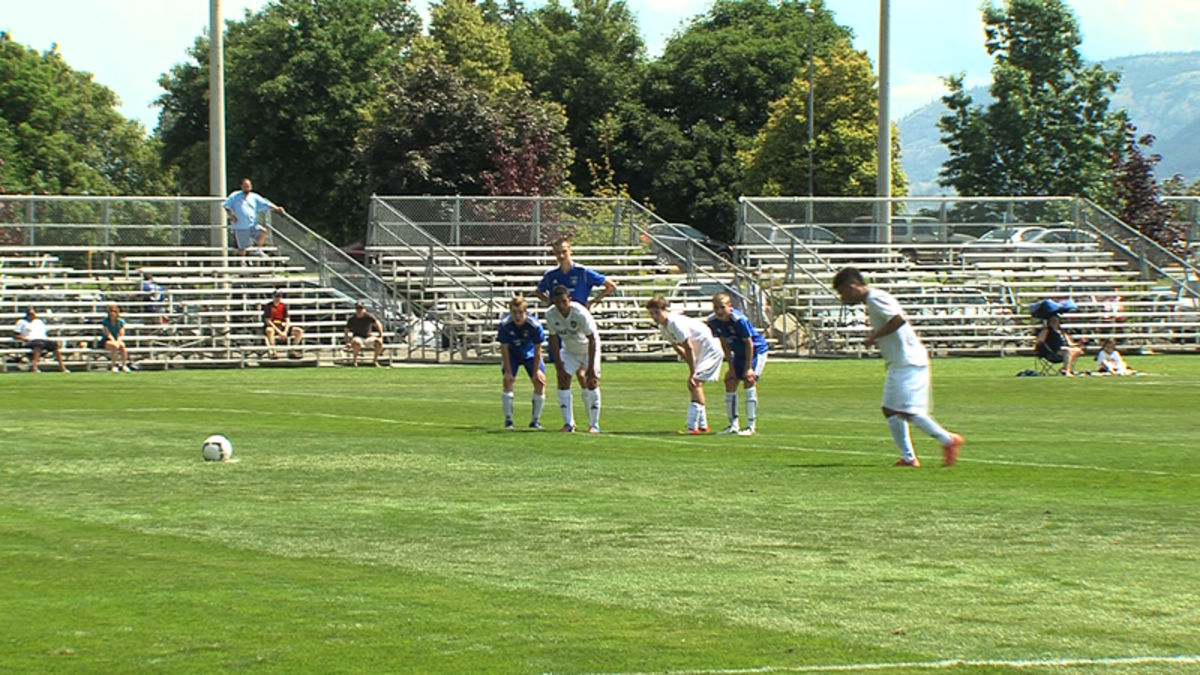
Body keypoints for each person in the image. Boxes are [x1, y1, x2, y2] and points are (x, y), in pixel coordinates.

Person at [832, 267, 963, 468]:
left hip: (908, 360)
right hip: (899, 361)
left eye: (843, 292)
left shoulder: (875, 298)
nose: (843, 298)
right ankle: (908, 458)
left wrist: (874, 337)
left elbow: (897, 320)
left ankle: (948, 440)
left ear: (853, 286)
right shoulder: (873, 299)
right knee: (890, 410)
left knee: (908, 410)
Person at [646, 296, 724, 434]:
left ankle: (693, 427)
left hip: (710, 349)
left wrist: (692, 372)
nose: (655, 316)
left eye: (657, 312)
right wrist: (691, 365)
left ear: (666, 310)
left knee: (695, 383)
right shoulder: (663, 327)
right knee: (695, 384)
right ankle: (702, 426)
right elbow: (678, 347)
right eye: (652, 313)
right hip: (701, 352)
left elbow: (688, 347)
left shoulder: (674, 322)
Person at [706, 291, 770, 436]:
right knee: (730, 381)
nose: (719, 311)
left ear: (730, 306)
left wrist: (748, 368)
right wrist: (730, 367)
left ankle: (750, 425)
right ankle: (733, 424)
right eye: (716, 308)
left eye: (722, 307)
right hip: (738, 353)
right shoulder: (713, 321)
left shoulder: (738, 320)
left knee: (749, 380)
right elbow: (724, 343)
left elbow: (749, 343)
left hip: (756, 351)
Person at [545, 285, 602, 434]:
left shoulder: (580, 313)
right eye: (557, 302)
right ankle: (568, 424)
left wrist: (590, 368)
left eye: (564, 302)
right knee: (563, 381)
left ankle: (593, 424)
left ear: (569, 300)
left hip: (588, 349)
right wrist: (559, 367)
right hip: (569, 350)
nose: (561, 306)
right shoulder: (550, 315)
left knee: (591, 381)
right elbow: (553, 339)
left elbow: (592, 339)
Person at [497, 294, 547, 430]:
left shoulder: (535, 326)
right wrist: (508, 371)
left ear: (526, 312)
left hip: (530, 354)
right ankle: (508, 420)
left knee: (540, 381)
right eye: (514, 312)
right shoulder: (505, 325)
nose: (517, 316)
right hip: (512, 354)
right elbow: (504, 348)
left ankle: (535, 420)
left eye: (520, 312)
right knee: (508, 381)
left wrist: (537, 370)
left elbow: (538, 348)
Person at [535, 236, 617, 309]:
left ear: (570, 251)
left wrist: (592, 302)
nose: (561, 256)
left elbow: (611, 286)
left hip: (579, 317)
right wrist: (550, 303)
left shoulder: (583, 272)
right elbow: (538, 291)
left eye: (564, 252)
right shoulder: (550, 275)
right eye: (558, 252)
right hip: (559, 318)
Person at [223, 177, 285, 257]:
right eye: (245, 186)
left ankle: (259, 250)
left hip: (253, 225)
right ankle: (243, 263)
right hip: (240, 226)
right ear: (241, 186)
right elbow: (226, 206)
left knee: (263, 231)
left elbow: (265, 204)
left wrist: (276, 208)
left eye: (248, 186)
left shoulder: (254, 197)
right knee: (242, 248)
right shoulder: (235, 196)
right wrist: (231, 216)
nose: (247, 188)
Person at [14, 308, 67, 372]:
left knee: (54, 344)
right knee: (38, 345)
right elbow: (16, 335)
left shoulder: (39, 321)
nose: (32, 316)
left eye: (33, 314)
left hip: (42, 339)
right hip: (30, 340)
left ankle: (62, 367)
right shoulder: (21, 322)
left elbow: (43, 332)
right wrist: (24, 338)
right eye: (30, 314)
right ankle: (34, 367)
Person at [262, 289, 304, 359]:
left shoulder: (283, 306)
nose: (277, 299)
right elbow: (268, 321)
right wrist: (280, 332)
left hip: (280, 326)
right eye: (276, 297)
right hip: (272, 326)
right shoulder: (268, 306)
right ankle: (274, 352)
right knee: (269, 330)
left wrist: (285, 331)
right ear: (273, 297)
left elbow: (287, 320)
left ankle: (293, 351)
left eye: (279, 297)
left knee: (299, 331)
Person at [344, 301, 385, 367]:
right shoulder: (352, 319)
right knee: (357, 342)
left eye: (361, 308)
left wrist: (381, 335)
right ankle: (355, 361)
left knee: (379, 342)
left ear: (364, 309)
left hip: (368, 337)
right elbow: (346, 330)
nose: (359, 310)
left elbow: (377, 323)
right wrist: (347, 341)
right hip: (358, 336)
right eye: (358, 308)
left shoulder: (368, 316)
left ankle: (375, 361)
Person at [100, 304, 131, 372]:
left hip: (117, 340)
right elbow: (108, 333)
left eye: (114, 311)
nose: (113, 313)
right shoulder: (105, 321)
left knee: (122, 345)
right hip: (107, 340)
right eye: (111, 311)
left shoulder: (121, 322)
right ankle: (113, 366)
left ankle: (124, 365)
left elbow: (121, 334)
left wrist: (118, 342)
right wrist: (115, 342)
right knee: (114, 346)